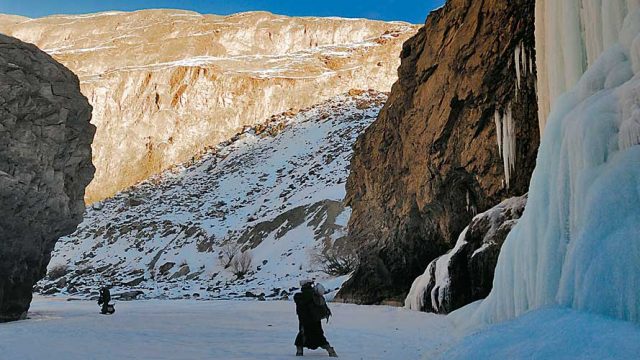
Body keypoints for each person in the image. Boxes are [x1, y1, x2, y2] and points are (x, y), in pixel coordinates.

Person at [294, 279, 338, 357]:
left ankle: (299, 352)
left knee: (303, 335)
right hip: (315, 319)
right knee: (318, 335)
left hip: (305, 320)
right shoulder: (315, 294)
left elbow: (301, 305)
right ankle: (330, 350)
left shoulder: (304, 295)